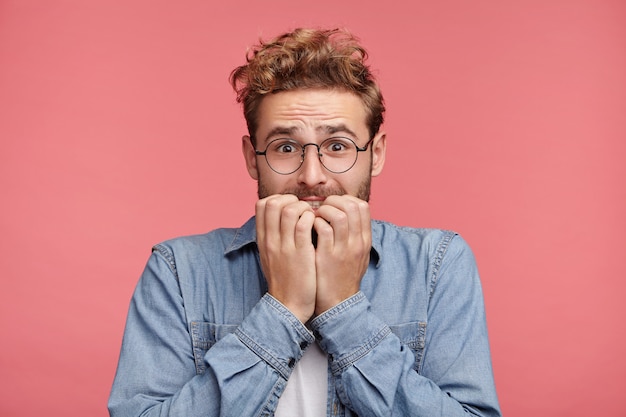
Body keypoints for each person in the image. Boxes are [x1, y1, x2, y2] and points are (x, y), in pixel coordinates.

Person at [108, 28, 501, 417]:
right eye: (285, 147)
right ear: (252, 157)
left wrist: (345, 309)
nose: (312, 175)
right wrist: (283, 307)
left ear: (376, 154)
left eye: (337, 146)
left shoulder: (438, 263)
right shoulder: (179, 271)